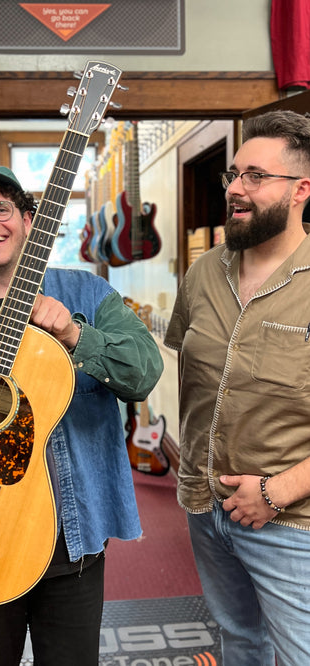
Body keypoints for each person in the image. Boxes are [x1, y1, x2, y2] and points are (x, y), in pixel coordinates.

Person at [0, 162, 164, 665]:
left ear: (29, 221)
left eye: (1, 209)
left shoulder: (88, 295)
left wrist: (77, 337)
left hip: (70, 534)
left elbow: (144, 374)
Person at [164, 109, 310, 666]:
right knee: (241, 644)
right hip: (205, 508)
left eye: (255, 176)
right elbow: (195, 380)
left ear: (301, 189)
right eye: (234, 174)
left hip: (291, 521)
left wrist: (276, 493)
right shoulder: (204, 274)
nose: (236, 189)